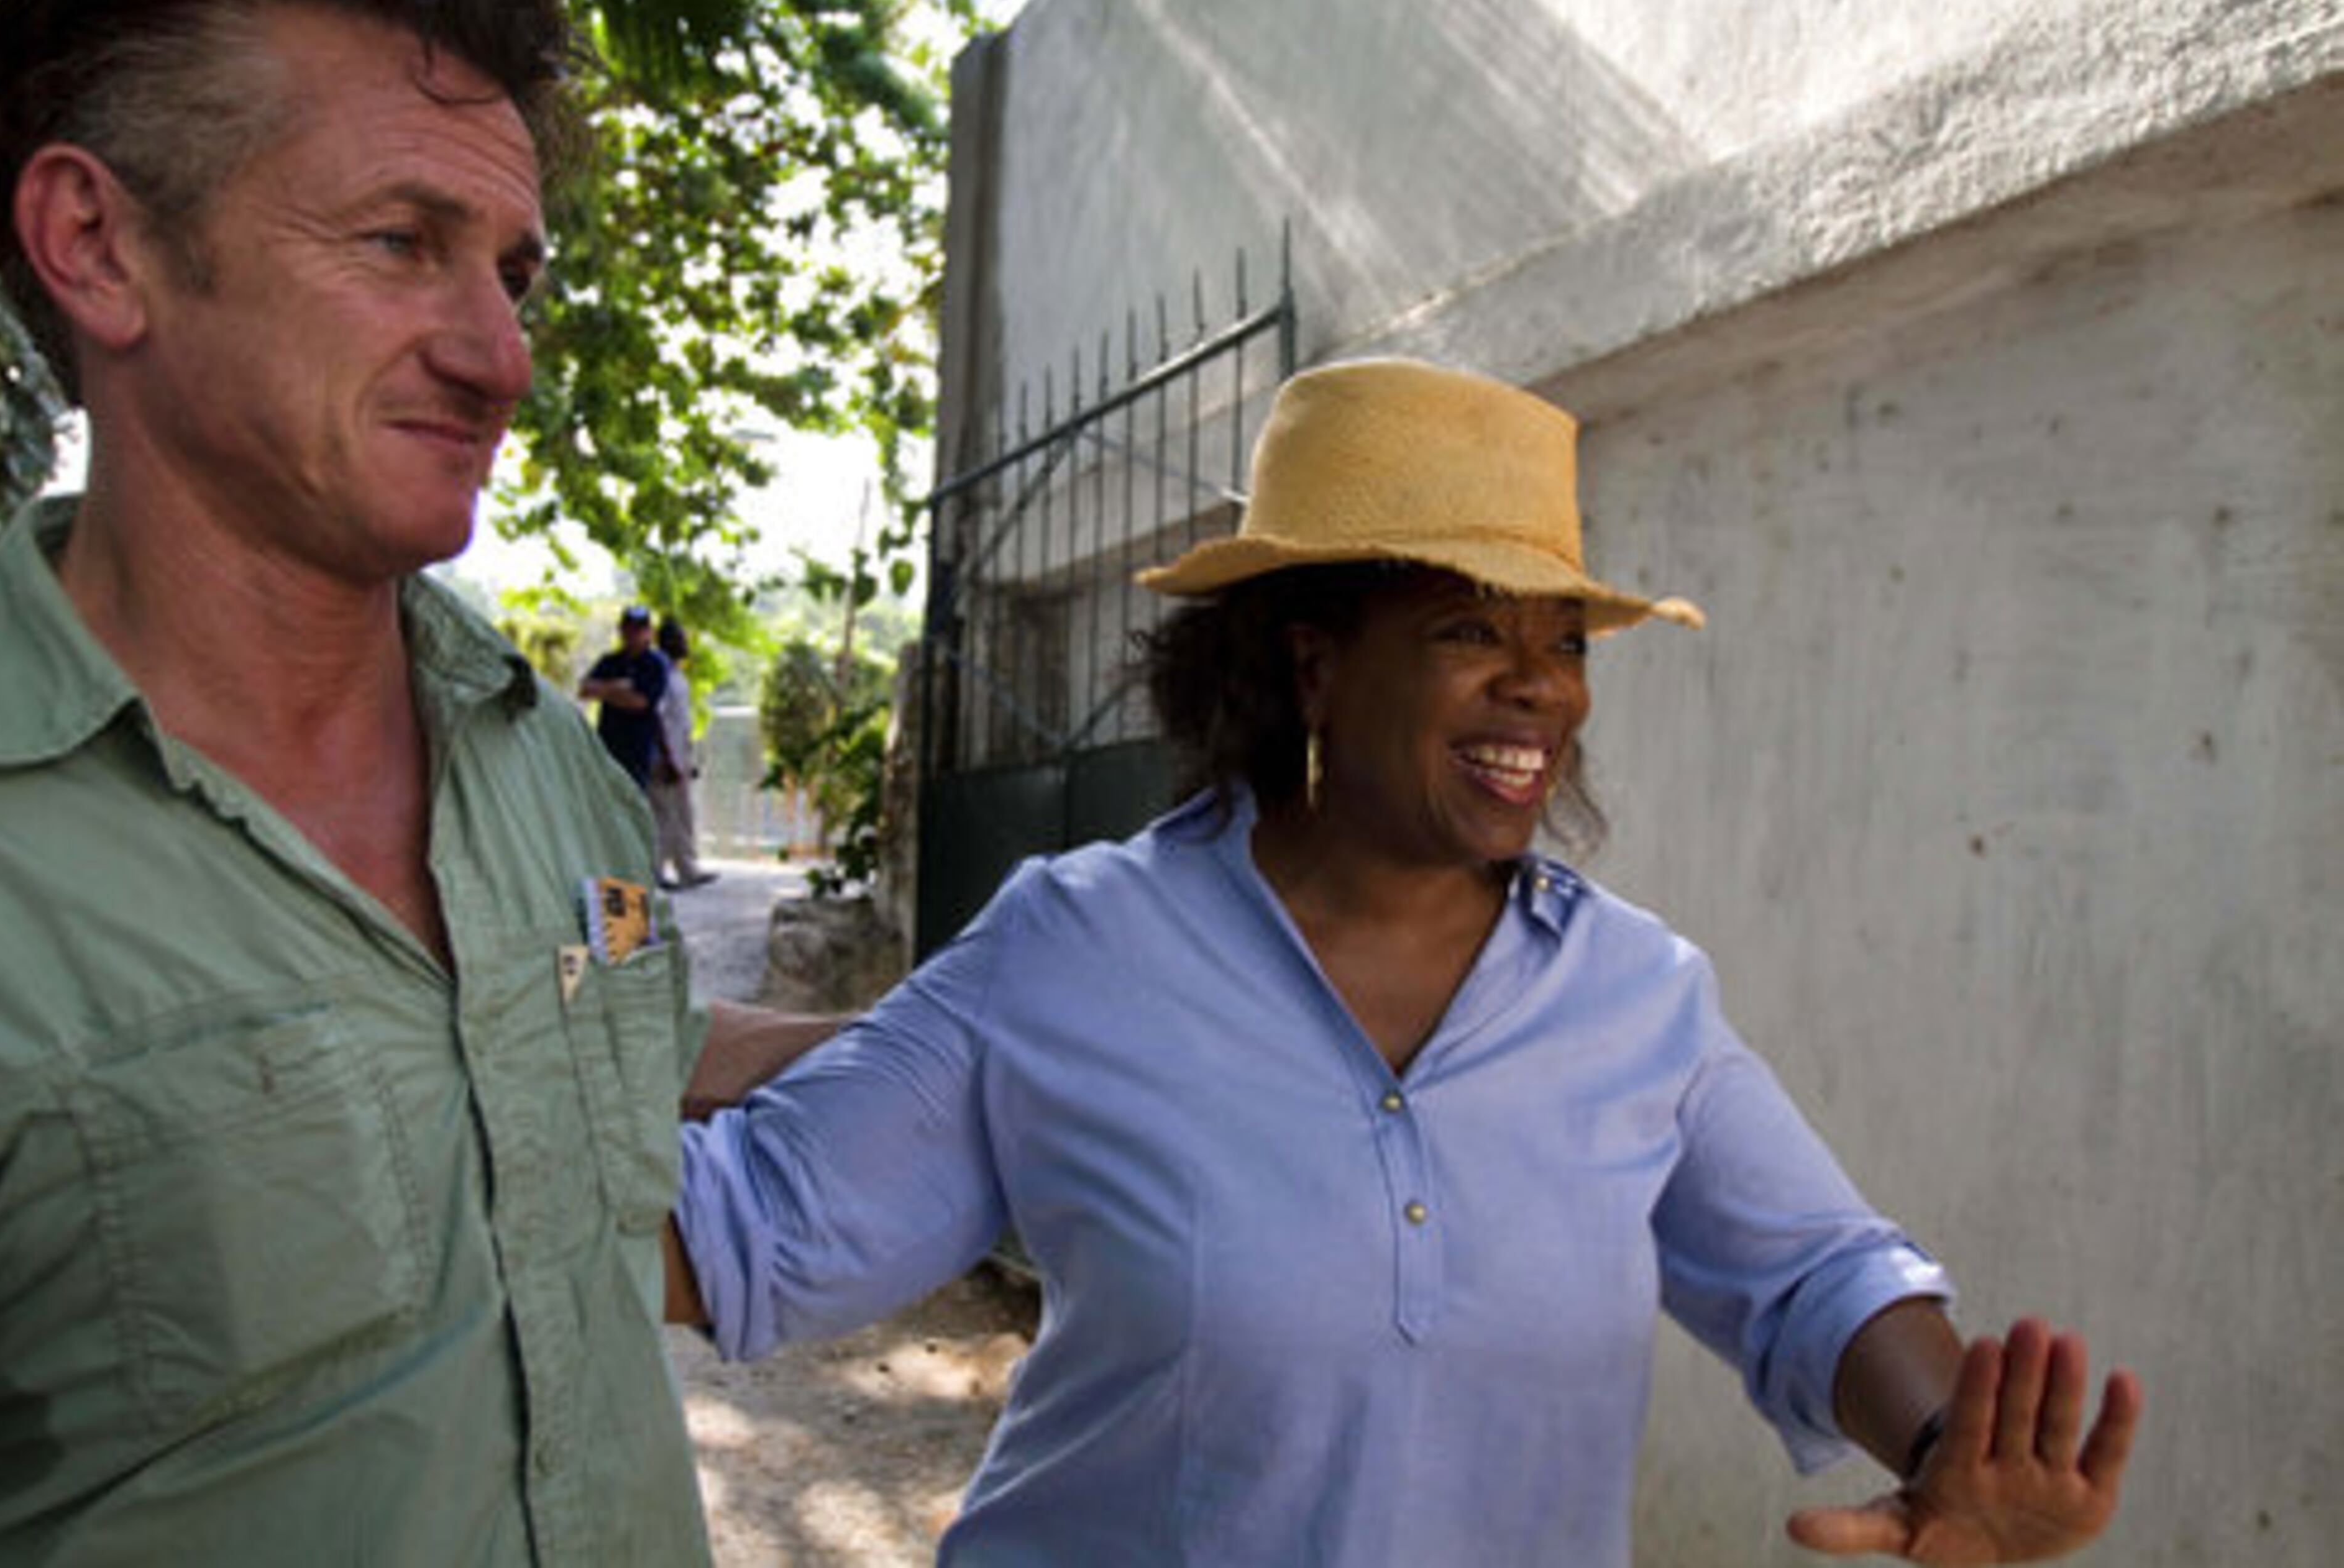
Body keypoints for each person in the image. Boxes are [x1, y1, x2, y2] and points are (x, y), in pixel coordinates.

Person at [667, 359, 2141, 1566]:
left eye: (1562, 642)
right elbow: (752, 1229)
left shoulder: (1637, 998)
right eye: (1464, 628)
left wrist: (1951, 1445)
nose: (1538, 685)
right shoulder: (1079, 941)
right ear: (1309, 663)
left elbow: (1813, 1272)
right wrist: (498, 1072)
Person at [0, 0, 830, 1561]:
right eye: (397, 243)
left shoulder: (555, 776)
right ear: (95, 242)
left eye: (512, 273)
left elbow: (609, 1023)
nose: (501, 358)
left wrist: (1000, 1024)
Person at [651, 614, 719, 889]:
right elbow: (657, 717)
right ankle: (656, 871)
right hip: (665, 757)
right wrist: (667, 758)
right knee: (664, 815)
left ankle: (687, 868)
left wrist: (687, 758)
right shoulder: (661, 674)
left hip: (681, 754)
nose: (685, 644)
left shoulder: (677, 674)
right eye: (679, 639)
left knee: (682, 813)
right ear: (667, 642)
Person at [580, 601, 671, 788]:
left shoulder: (655, 664)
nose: (632, 634)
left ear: (648, 633)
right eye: (628, 629)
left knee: (635, 801)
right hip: (608, 748)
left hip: (639, 751)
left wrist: (604, 692)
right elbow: (585, 690)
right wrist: (618, 687)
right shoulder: (610, 661)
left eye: (638, 630)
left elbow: (640, 703)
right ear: (621, 630)